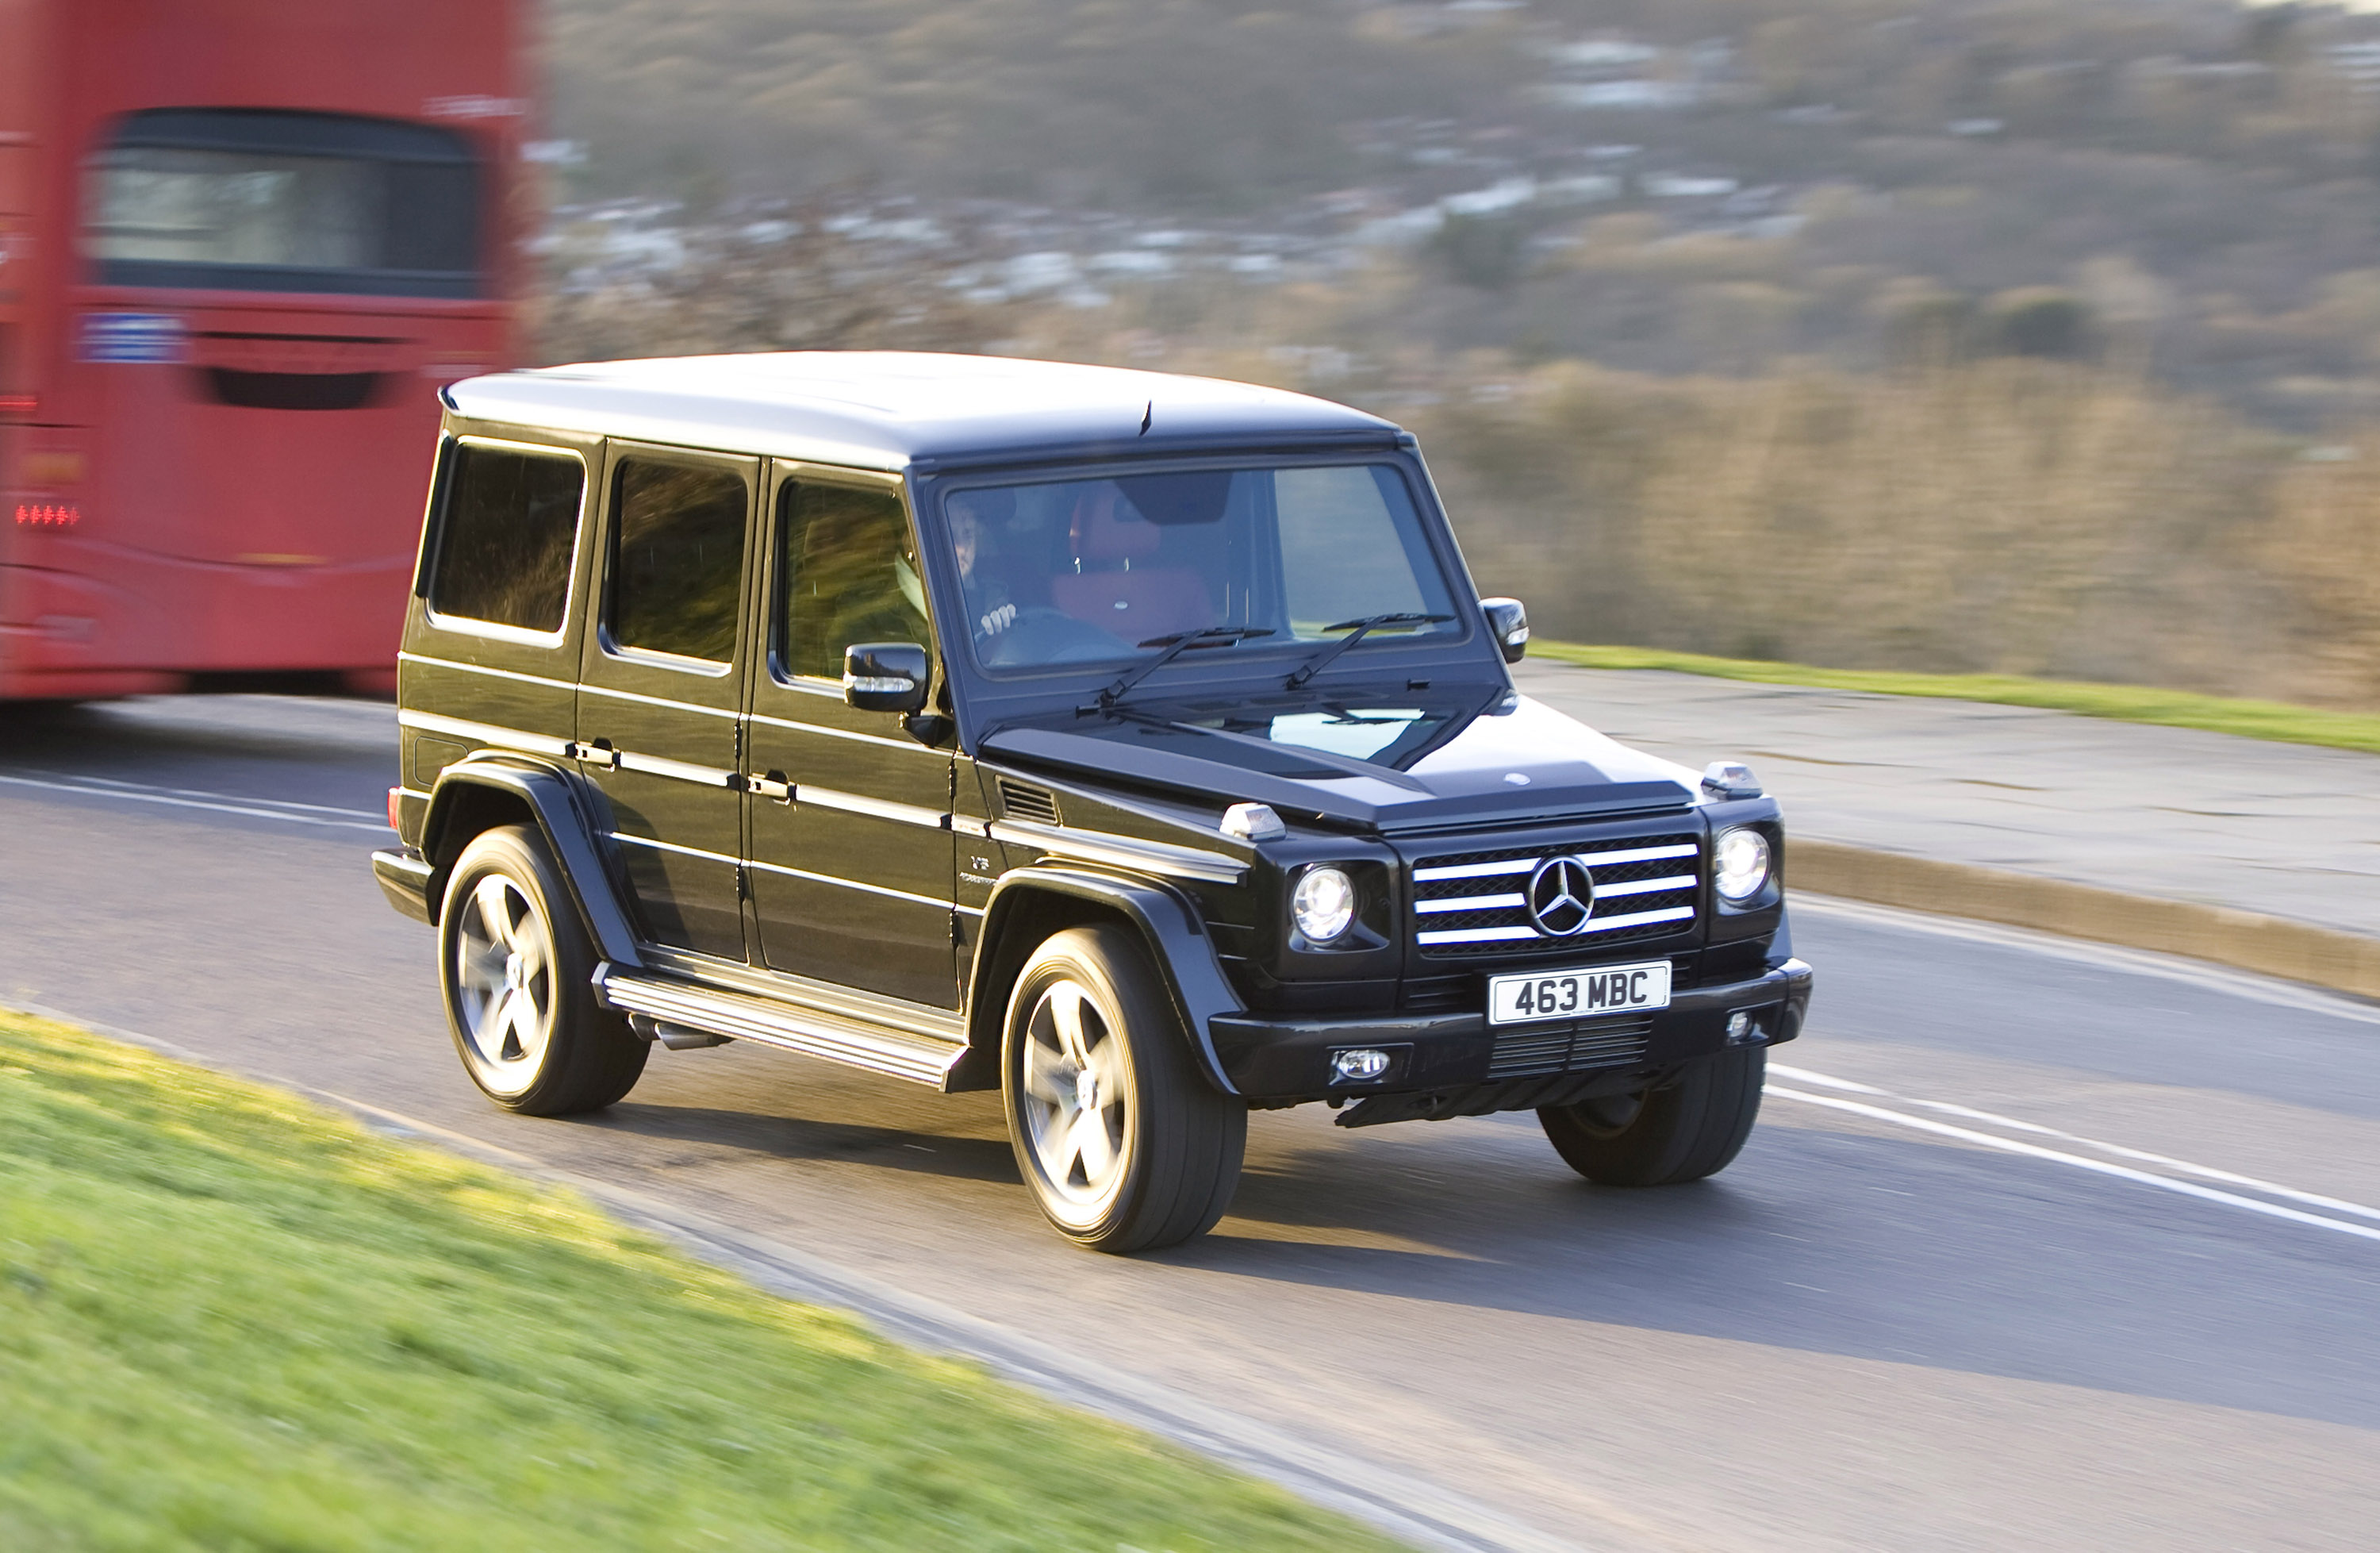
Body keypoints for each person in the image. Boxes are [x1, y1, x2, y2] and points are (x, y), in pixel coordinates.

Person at [947, 488, 1019, 642]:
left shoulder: (996, 598)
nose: (961, 548)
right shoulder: (901, 614)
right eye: (949, 535)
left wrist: (1003, 632)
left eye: (967, 534)